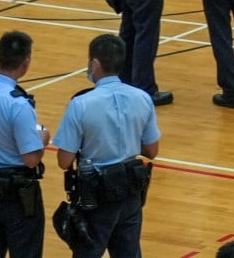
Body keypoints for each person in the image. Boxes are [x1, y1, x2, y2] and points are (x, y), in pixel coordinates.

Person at [53, 34, 160, 258]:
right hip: (131, 191)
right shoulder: (142, 98)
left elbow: (64, 161)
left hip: (97, 196)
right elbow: (151, 150)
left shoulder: (80, 104)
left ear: (94, 64)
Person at [0, 31, 50, 258]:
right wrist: (43, 139)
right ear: (26, 62)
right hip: (17, 193)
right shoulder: (18, 103)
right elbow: (30, 159)